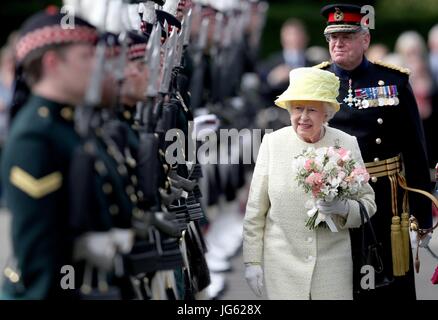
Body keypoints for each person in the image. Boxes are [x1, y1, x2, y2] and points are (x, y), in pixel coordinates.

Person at [315, 4, 433, 299]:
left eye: (346, 36)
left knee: (391, 283)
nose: (337, 43)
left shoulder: (394, 81)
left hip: (386, 199)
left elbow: (415, 151)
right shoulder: (316, 82)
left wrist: (422, 215)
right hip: (335, 195)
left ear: (364, 40)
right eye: (332, 38)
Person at [243, 67, 377, 300]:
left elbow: (368, 202)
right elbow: (256, 210)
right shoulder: (272, 144)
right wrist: (252, 260)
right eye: (297, 108)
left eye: (312, 109)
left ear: (326, 114)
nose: (303, 117)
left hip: (333, 267)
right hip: (283, 267)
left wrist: (344, 209)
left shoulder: (345, 143)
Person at [0, 8, 98, 299]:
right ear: (53, 62)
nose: (95, 66)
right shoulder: (36, 136)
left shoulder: (62, 123)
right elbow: (42, 256)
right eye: (86, 57)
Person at [258, 18, 310, 106]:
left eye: (297, 35)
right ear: (282, 39)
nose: (294, 38)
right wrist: (273, 80)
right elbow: (260, 95)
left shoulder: (313, 64)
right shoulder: (270, 63)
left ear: (305, 38)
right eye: (289, 35)